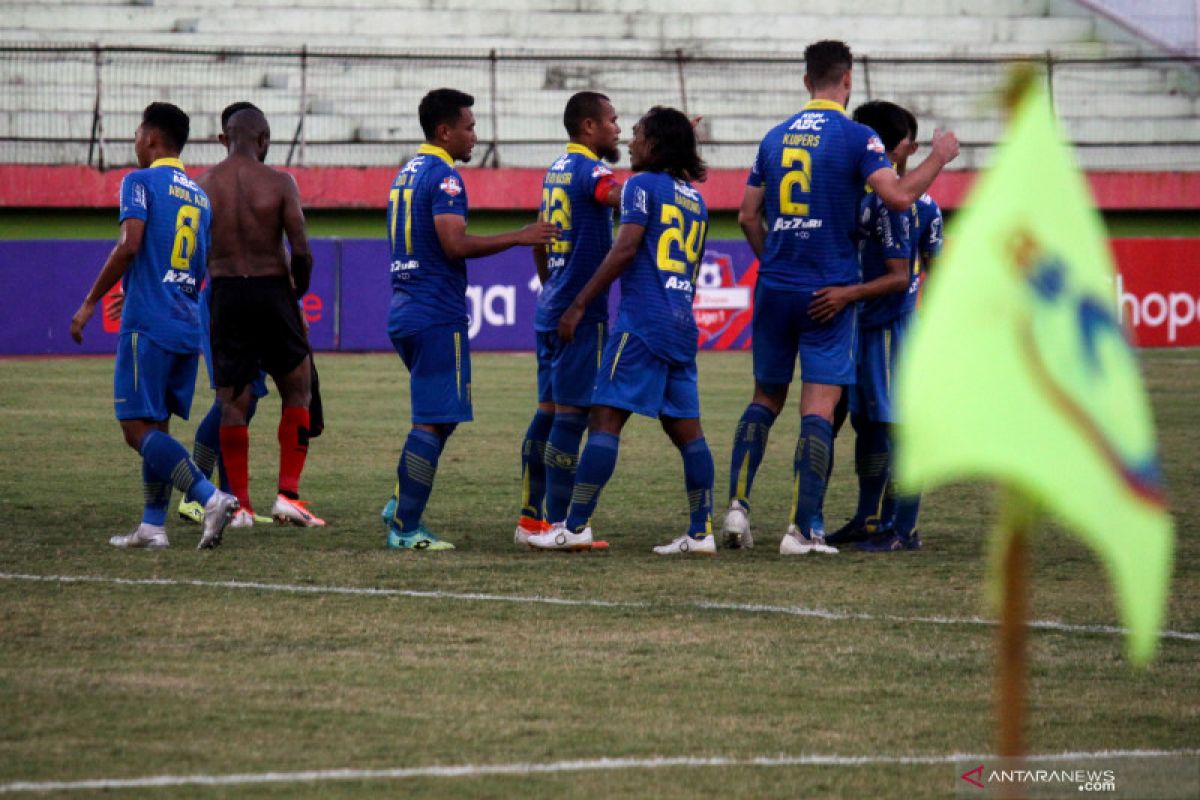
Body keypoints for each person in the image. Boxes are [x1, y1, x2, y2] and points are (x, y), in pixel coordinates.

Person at [720, 39, 959, 555]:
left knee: (765, 398)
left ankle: (737, 507)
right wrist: (939, 157)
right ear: (847, 81)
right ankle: (803, 529)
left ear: (807, 81)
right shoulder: (858, 139)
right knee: (819, 410)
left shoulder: (773, 136)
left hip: (776, 285)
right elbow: (897, 195)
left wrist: (775, 261)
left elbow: (745, 215)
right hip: (829, 293)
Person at [527, 106, 715, 556]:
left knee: (604, 420)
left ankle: (573, 526)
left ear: (653, 143)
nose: (629, 141)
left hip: (641, 324)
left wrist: (578, 302)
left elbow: (625, 249)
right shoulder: (696, 199)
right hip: (681, 324)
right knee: (689, 434)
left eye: (637, 134)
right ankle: (700, 531)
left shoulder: (640, 188)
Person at [381, 87, 558, 550]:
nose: (474, 136)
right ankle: (405, 527)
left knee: (443, 415)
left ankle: (401, 499)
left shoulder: (406, 174)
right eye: (469, 127)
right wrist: (520, 237)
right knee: (433, 420)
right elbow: (454, 244)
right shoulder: (445, 179)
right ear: (445, 131)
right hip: (436, 312)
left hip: (405, 308)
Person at [69, 101, 239, 550]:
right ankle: (152, 525)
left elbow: (130, 244)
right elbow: (197, 265)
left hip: (149, 325)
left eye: (137, 133)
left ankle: (209, 496)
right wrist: (145, 285)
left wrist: (91, 302)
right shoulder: (199, 196)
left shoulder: (138, 181)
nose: (135, 141)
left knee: (136, 430)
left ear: (150, 138)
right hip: (185, 325)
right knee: (157, 428)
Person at [198, 104, 324, 528]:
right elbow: (302, 250)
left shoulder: (203, 186)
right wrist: (296, 294)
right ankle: (288, 495)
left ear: (223, 139)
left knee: (232, 401)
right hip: (273, 291)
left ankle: (241, 507)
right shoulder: (280, 182)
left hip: (227, 293)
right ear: (265, 139)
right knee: (298, 388)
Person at [514, 91, 622, 548]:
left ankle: (530, 519)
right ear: (589, 127)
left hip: (551, 306)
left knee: (547, 413)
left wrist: (551, 286)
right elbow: (615, 195)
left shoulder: (555, 170)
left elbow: (540, 237)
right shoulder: (592, 170)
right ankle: (559, 525)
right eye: (613, 120)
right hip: (581, 313)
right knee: (573, 417)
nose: (618, 128)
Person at [818, 100, 922, 550]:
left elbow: (901, 277)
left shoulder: (889, 205)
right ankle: (869, 516)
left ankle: (903, 528)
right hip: (865, 329)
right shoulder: (865, 198)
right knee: (869, 425)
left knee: (896, 426)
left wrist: (846, 295)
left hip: (886, 331)